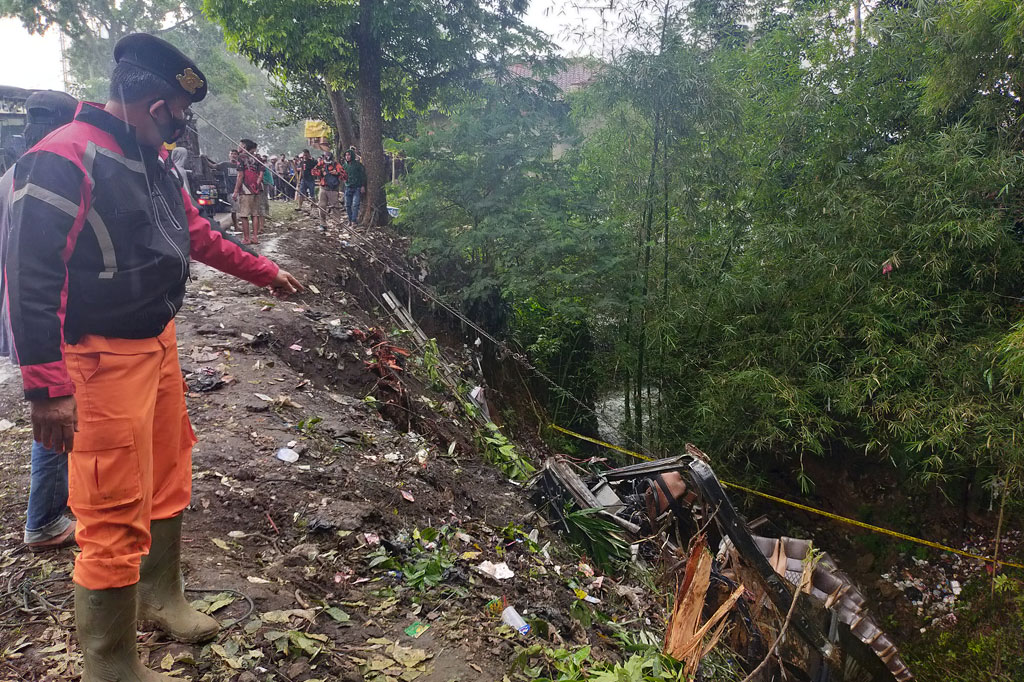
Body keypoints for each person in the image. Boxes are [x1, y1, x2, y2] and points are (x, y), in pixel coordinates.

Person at [5, 33, 302, 681]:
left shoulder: (153, 160)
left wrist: (265, 272)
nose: (180, 126)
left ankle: (161, 596)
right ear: (150, 101)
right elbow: (30, 277)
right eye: (175, 112)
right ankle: (112, 667)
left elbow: (193, 233)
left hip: (155, 345)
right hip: (98, 359)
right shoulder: (63, 159)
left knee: (168, 471)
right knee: (110, 506)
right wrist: (46, 385)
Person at [0, 90, 79, 553]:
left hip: (22, 316)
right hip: (48, 319)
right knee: (55, 410)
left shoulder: (12, 174)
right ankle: (45, 518)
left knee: (57, 407)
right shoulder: (52, 175)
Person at [232, 139, 264, 244]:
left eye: (240, 144)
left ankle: (246, 238)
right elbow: (261, 174)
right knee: (255, 214)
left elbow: (240, 175)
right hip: (256, 189)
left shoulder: (241, 158)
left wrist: (236, 190)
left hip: (245, 189)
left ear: (244, 146)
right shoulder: (258, 158)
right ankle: (255, 237)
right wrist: (257, 185)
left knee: (244, 215)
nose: (238, 146)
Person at [311, 151, 345, 229]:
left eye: (328, 156)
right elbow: (313, 171)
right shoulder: (321, 164)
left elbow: (344, 175)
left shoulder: (336, 165)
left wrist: (337, 173)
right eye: (326, 156)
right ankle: (323, 224)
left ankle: (338, 224)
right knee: (322, 206)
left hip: (333, 189)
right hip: (323, 188)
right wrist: (321, 172)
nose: (327, 157)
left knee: (335, 208)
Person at [342, 147, 366, 225]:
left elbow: (363, 175)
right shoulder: (344, 166)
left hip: (357, 187)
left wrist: (362, 185)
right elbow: (341, 174)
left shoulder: (358, 165)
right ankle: (349, 219)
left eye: (349, 155)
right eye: (346, 155)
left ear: (352, 155)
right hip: (348, 187)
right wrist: (344, 179)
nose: (347, 157)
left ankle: (353, 220)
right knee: (347, 205)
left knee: (355, 204)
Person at [226, 149, 240, 231]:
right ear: (229, 155)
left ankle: (238, 224)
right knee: (234, 208)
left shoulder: (240, 165)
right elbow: (214, 166)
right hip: (230, 190)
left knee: (240, 209)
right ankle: (236, 225)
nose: (233, 155)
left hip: (240, 190)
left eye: (235, 154)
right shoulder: (225, 164)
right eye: (232, 153)